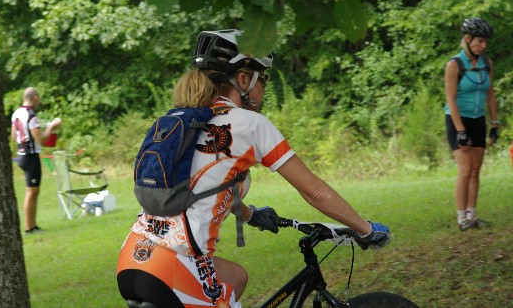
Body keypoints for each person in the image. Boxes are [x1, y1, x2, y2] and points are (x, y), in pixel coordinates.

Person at [116, 30, 390, 307]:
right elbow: (315, 192)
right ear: (244, 80)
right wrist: (365, 230)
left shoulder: (186, 122)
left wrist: (250, 215)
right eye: (264, 79)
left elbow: (203, 187)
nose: (264, 89)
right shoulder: (249, 123)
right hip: (178, 267)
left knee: (237, 276)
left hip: (134, 257)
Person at [444, 18, 498, 231]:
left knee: (476, 170)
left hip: (478, 120)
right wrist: (460, 131)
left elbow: (491, 95)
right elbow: (450, 99)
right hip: (458, 119)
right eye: (480, 41)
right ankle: (461, 218)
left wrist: (494, 123)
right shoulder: (454, 64)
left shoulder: (487, 63)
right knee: (465, 169)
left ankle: (472, 215)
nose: (484, 46)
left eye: (485, 42)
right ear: (468, 39)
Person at [11, 87, 61, 235]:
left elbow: (14, 136)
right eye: (38, 98)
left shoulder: (16, 113)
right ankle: (29, 228)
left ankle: (32, 226)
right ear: (34, 98)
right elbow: (41, 140)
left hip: (21, 155)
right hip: (30, 156)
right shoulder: (31, 115)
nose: (38, 101)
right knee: (32, 192)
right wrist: (51, 127)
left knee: (33, 191)